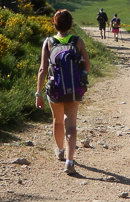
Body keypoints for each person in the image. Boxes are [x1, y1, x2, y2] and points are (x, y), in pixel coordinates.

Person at [36, 9, 91, 175]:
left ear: (55, 23)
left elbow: (42, 69)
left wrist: (38, 93)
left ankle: (60, 150)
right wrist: (80, 76)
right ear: (70, 24)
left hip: (55, 90)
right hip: (74, 89)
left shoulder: (49, 42)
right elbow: (87, 65)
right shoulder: (77, 41)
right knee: (71, 124)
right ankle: (69, 161)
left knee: (57, 120)